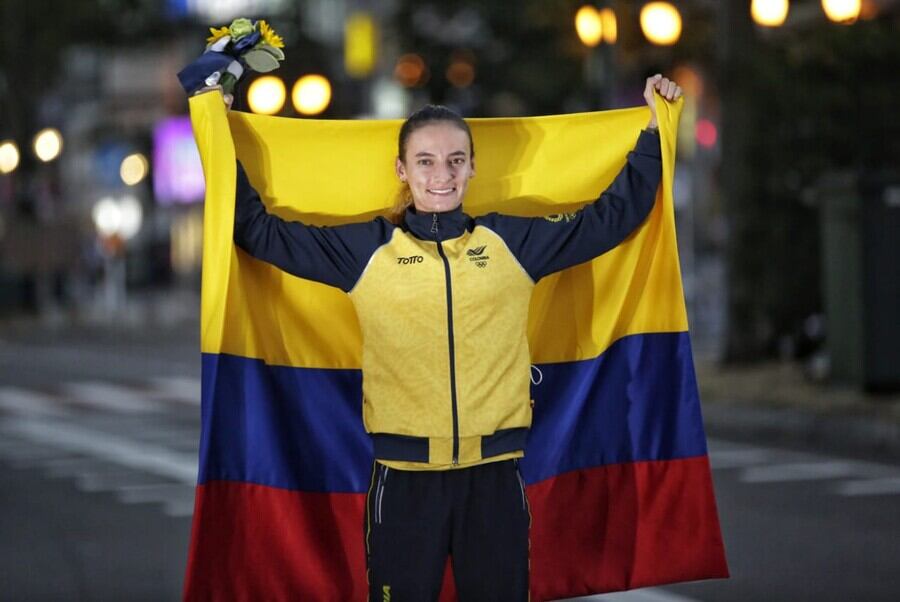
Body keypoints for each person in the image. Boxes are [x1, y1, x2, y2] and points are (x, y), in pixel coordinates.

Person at [198, 74, 682, 601]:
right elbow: (257, 230)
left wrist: (654, 128)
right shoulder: (367, 251)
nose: (442, 175)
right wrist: (215, 128)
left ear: (473, 166)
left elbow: (610, 219)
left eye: (455, 160)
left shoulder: (511, 243)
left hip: (494, 481)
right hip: (403, 483)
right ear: (402, 170)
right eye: (425, 161)